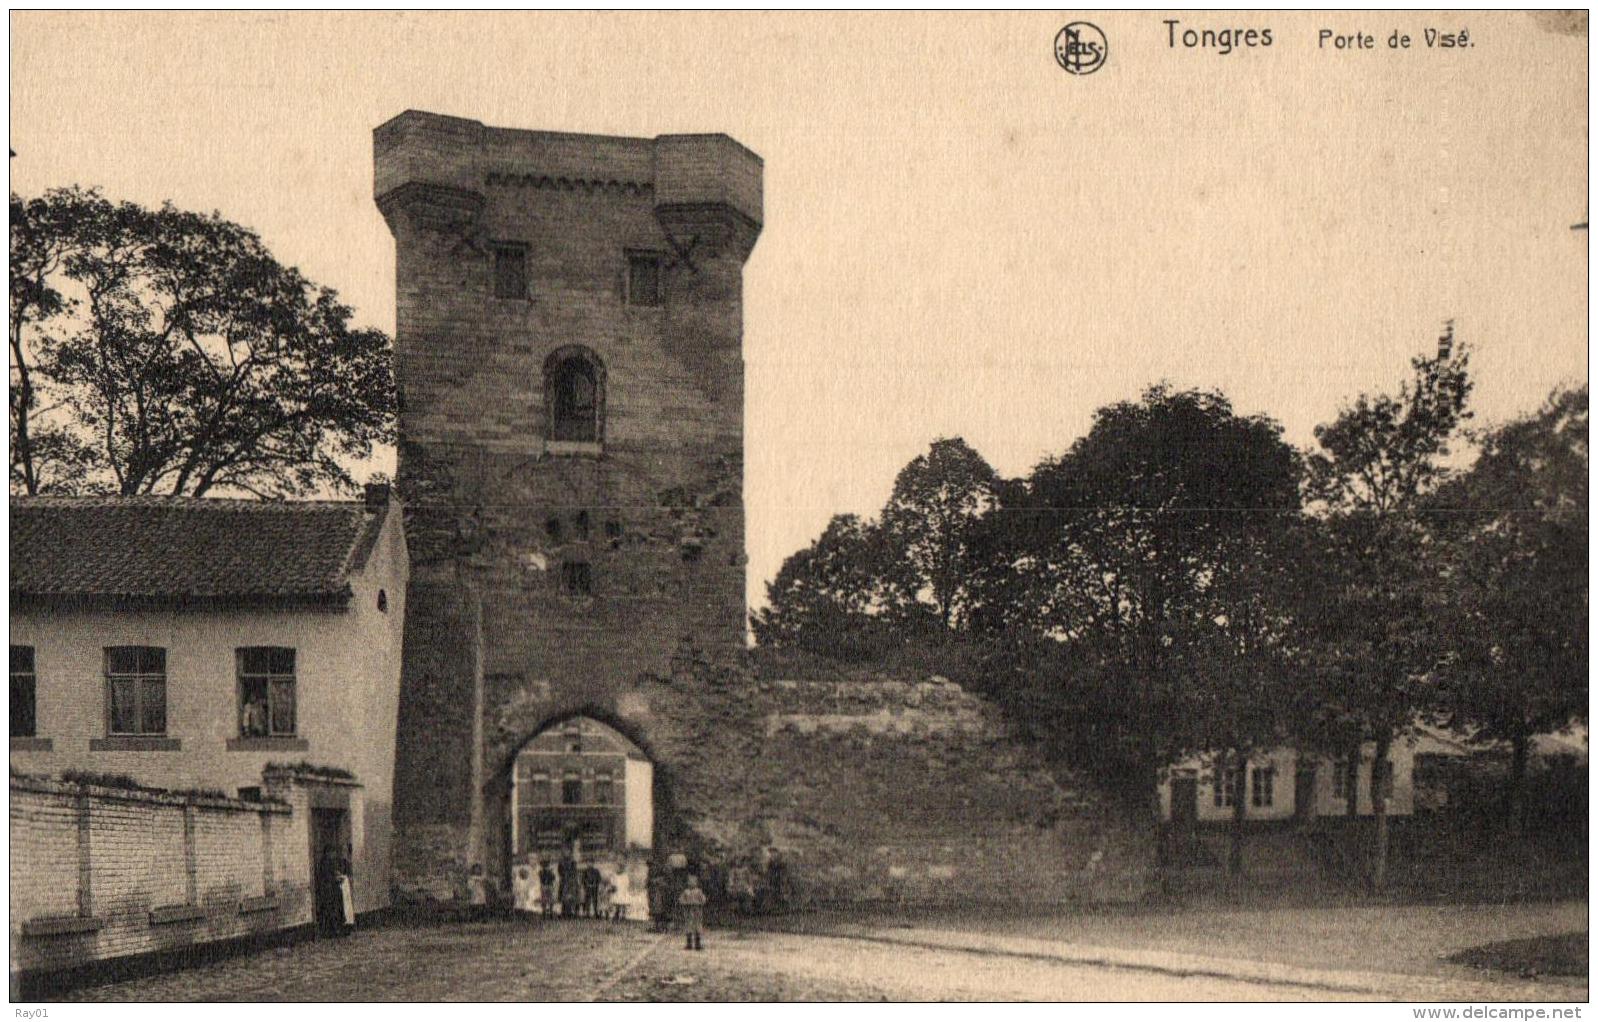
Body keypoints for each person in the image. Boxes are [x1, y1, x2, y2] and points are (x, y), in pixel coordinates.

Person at [678, 875, 707, 951]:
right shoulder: (686, 892)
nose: (692, 883)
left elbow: (703, 900)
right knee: (689, 927)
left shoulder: (699, 891)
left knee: (697, 927)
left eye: (693, 882)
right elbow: (681, 900)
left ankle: (698, 944)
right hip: (688, 912)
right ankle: (689, 944)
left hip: (697, 912)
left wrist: (699, 903)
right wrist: (686, 903)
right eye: (690, 882)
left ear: (696, 883)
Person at [559, 853, 581, 918]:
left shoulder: (573, 863)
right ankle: (564, 912)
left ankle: (571, 912)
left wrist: (572, 879)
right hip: (564, 882)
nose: (567, 852)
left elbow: (574, 872)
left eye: (568, 851)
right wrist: (564, 876)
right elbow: (560, 872)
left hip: (571, 882)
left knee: (571, 896)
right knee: (564, 896)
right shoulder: (561, 863)